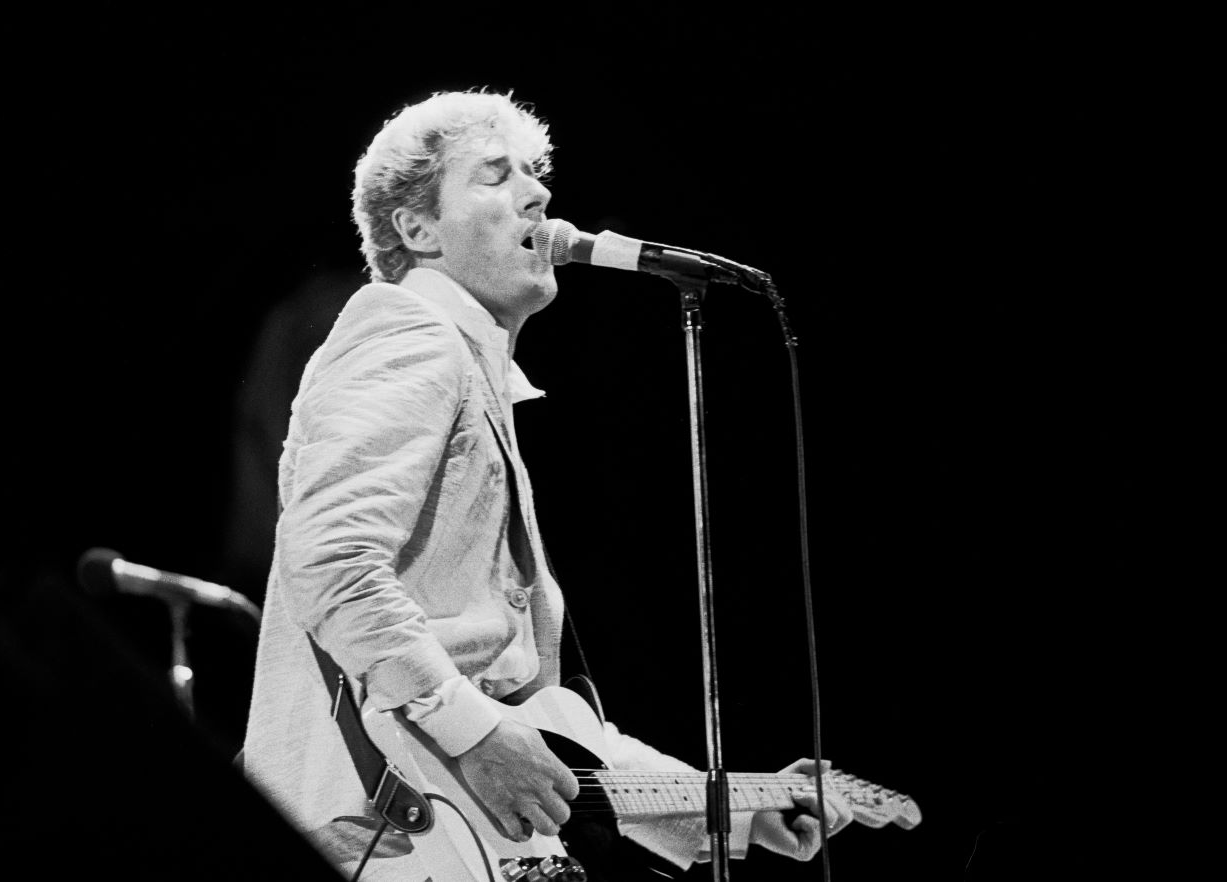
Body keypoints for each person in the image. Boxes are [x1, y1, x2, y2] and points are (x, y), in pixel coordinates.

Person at [241, 89, 852, 880]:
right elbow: (329, 560)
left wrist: (729, 808)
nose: (538, 193)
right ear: (415, 228)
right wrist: (476, 734)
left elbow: (545, 723)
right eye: (495, 175)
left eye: (535, 172)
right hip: (384, 827)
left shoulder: (472, 369)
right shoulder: (408, 332)